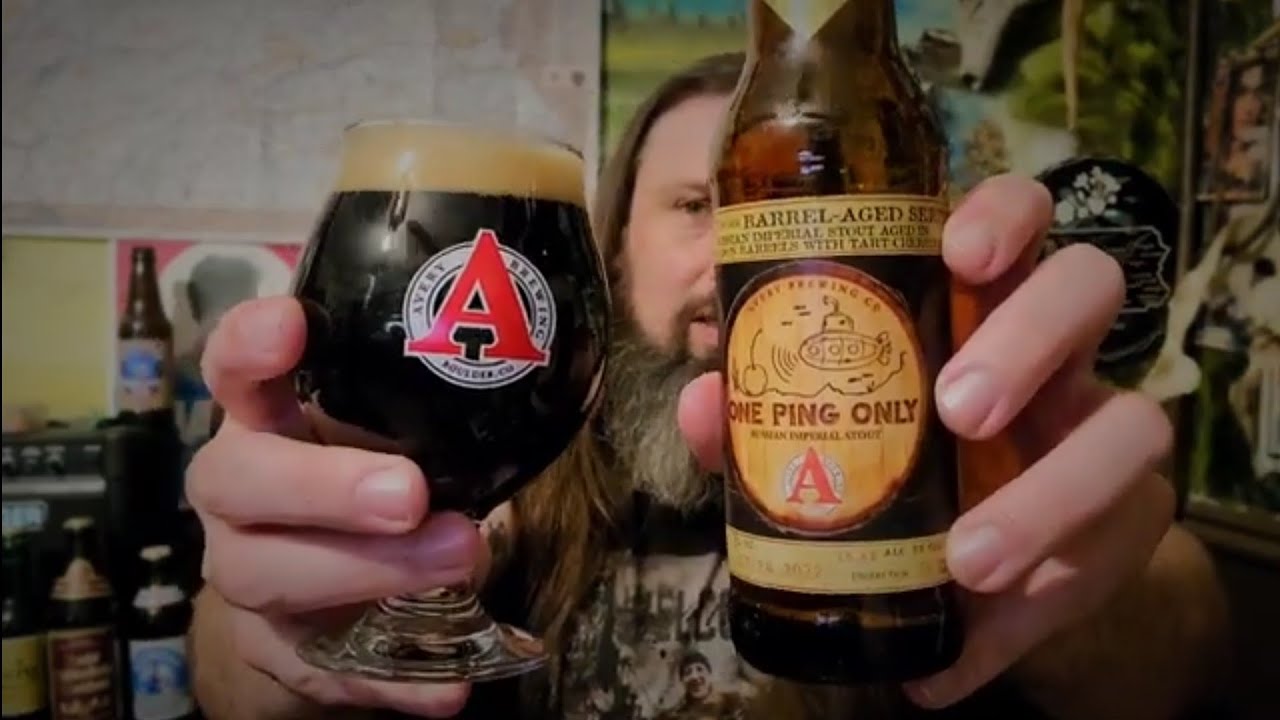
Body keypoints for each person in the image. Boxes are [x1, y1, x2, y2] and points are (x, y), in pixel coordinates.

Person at [185, 53, 1231, 720]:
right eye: (699, 207)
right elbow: (226, 678)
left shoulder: (944, 471)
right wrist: (287, 620)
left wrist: (1046, 553)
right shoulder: (504, 491)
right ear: (608, 247)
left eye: (790, 219)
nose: (746, 261)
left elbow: (1180, 653)